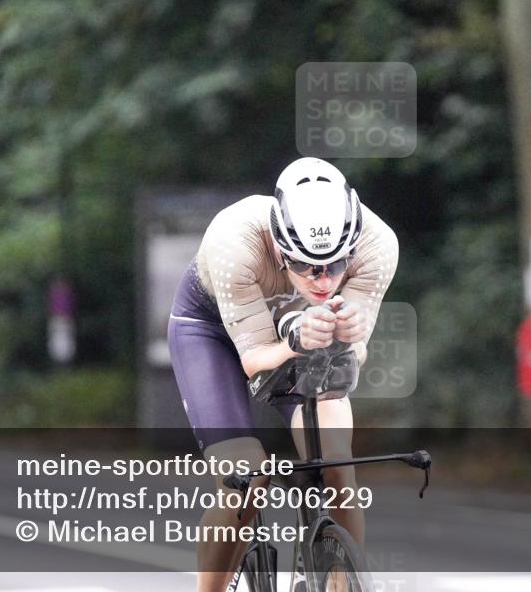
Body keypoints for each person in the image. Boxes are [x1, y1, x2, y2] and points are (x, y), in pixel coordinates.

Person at [168, 157, 399, 592]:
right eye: (306, 266)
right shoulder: (232, 241)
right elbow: (253, 360)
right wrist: (294, 340)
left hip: (304, 335)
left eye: (335, 266)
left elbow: (350, 359)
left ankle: (340, 583)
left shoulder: (378, 245)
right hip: (214, 332)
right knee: (246, 482)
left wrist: (347, 337)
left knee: (338, 466)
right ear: (278, 247)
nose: (322, 280)